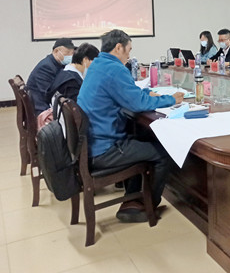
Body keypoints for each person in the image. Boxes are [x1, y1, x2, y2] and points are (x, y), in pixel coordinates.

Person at [78, 29, 185, 223]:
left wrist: (146, 95)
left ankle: (133, 198)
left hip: (92, 143)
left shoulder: (98, 65)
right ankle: (147, 205)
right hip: (104, 150)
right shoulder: (115, 68)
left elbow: (128, 94)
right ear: (118, 47)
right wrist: (170, 99)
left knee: (142, 138)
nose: (129, 56)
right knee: (163, 153)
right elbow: (138, 104)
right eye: (128, 50)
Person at [26, 38, 76, 115]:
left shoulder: (57, 64)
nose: (70, 56)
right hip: (41, 108)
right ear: (56, 51)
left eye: (72, 53)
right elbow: (49, 94)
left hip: (44, 103)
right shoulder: (46, 67)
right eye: (67, 53)